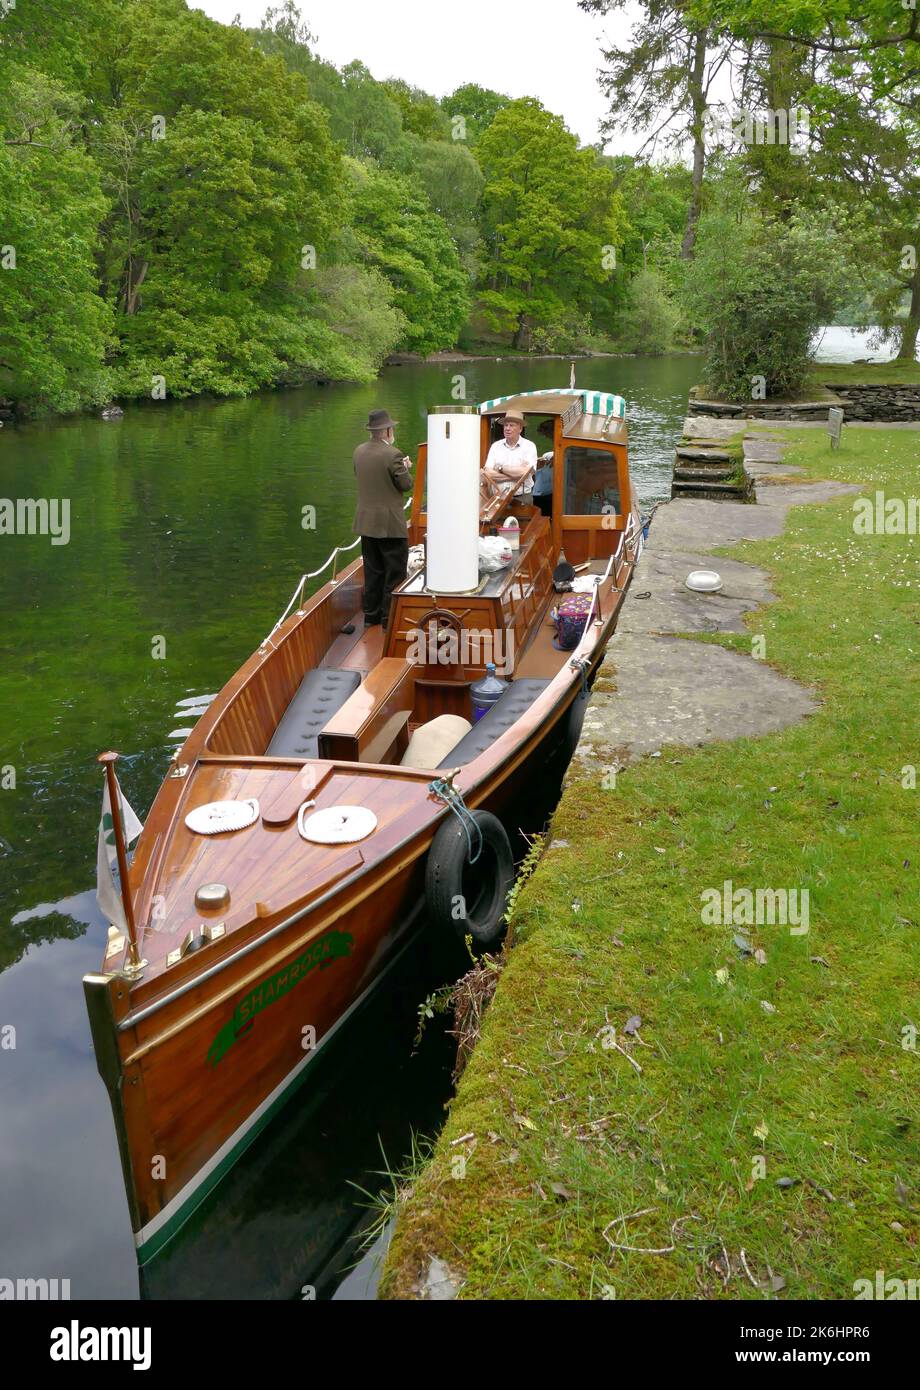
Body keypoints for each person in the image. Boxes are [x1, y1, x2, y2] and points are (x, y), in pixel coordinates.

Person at [352, 409, 413, 630]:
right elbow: (405, 486)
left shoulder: (358, 451)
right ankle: (389, 620)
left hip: (365, 523)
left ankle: (371, 616)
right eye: (392, 428)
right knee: (394, 572)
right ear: (387, 431)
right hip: (389, 525)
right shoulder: (393, 454)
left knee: (373, 570)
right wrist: (405, 468)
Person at [481, 410, 538, 500]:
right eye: (506, 425)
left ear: (520, 429)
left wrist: (500, 468)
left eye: (511, 425)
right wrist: (515, 475)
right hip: (498, 498)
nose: (507, 428)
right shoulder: (495, 446)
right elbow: (488, 474)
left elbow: (525, 474)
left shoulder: (529, 446)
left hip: (522, 498)